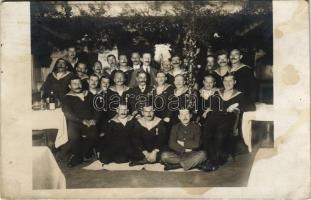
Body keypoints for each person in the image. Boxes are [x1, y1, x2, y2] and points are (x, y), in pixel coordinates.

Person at [201, 74, 255, 171]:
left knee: (219, 134)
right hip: (215, 117)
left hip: (229, 118)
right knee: (206, 132)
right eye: (225, 81)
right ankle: (209, 158)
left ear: (234, 82)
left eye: (230, 81)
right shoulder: (217, 92)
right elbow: (212, 104)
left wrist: (237, 105)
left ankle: (214, 162)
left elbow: (252, 107)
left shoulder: (239, 94)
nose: (228, 83)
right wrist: (208, 109)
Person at [61, 75, 99, 167]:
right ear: (70, 86)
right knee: (74, 137)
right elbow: (68, 114)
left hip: (90, 122)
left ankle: (84, 153)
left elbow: (97, 109)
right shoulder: (67, 98)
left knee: (94, 134)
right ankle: (77, 157)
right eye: (74, 84)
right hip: (75, 123)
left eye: (79, 83)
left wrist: (95, 119)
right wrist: (82, 121)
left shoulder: (89, 94)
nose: (77, 85)